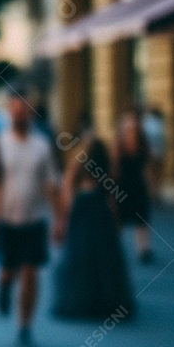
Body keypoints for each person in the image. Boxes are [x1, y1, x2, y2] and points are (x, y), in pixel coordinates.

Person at [0, 93, 61, 346]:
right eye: (15, 109)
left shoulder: (42, 145)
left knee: (30, 272)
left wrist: (59, 218)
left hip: (34, 219)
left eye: (24, 109)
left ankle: (25, 324)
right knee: (8, 270)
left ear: (31, 111)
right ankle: (4, 286)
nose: (19, 113)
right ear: (9, 111)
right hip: (6, 219)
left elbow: (51, 184)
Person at [52, 135, 134, 320]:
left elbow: (67, 198)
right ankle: (103, 301)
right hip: (101, 221)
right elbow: (112, 201)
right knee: (104, 262)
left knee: (79, 260)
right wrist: (116, 224)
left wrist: (62, 222)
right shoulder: (106, 172)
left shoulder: (76, 172)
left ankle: (81, 299)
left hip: (80, 220)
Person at [114, 109, 154, 264]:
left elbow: (147, 167)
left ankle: (143, 249)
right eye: (129, 128)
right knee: (119, 220)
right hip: (121, 186)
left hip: (138, 186)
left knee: (141, 219)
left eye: (134, 127)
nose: (132, 130)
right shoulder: (118, 146)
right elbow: (114, 168)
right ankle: (114, 248)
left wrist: (150, 187)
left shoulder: (143, 145)